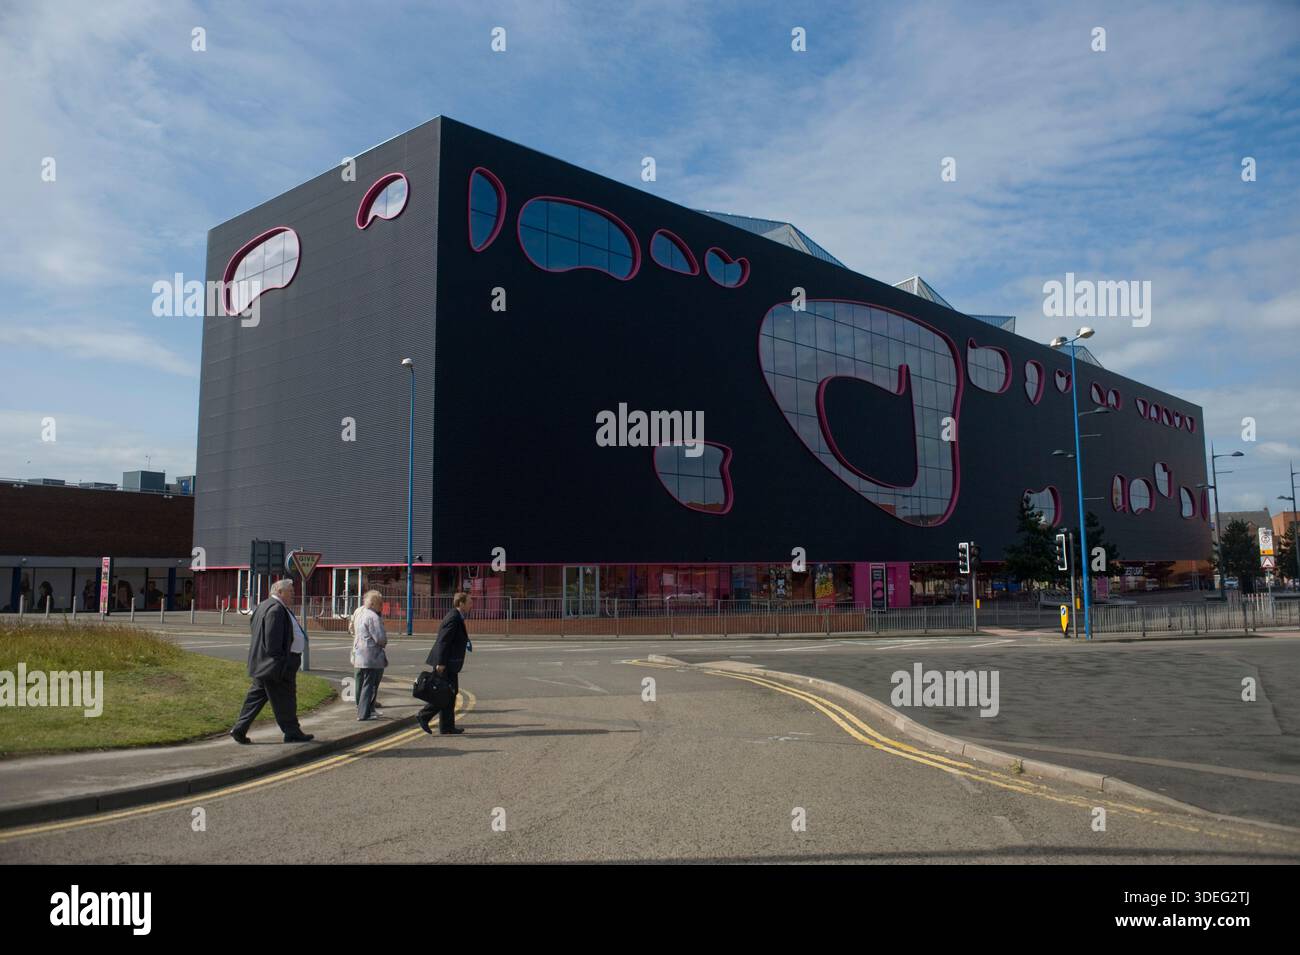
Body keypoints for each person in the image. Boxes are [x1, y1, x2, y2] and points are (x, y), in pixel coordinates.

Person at [230, 577, 314, 744]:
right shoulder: (276, 609)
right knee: (286, 699)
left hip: (265, 665)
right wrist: (283, 662)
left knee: (255, 698)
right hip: (275, 666)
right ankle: (292, 732)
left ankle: (239, 729)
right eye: (290, 592)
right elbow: (272, 642)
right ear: (280, 592)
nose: (293, 595)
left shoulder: (266, 605)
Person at [418, 591, 472, 735]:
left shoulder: (457, 616)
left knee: (450, 694)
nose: (471, 604)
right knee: (444, 694)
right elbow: (443, 640)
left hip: (450, 662)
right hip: (445, 662)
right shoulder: (453, 617)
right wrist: (441, 662)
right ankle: (424, 715)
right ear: (461, 603)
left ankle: (447, 727)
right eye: (469, 601)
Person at [349, 590, 388, 721]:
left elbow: (351, 629)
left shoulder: (361, 613)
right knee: (369, 685)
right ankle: (364, 713)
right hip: (371, 656)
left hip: (360, 653)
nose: (381, 606)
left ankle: (365, 711)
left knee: (366, 684)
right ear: (373, 603)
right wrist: (384, 642)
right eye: (380, 603)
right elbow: (380, 638)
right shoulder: (373, 617)